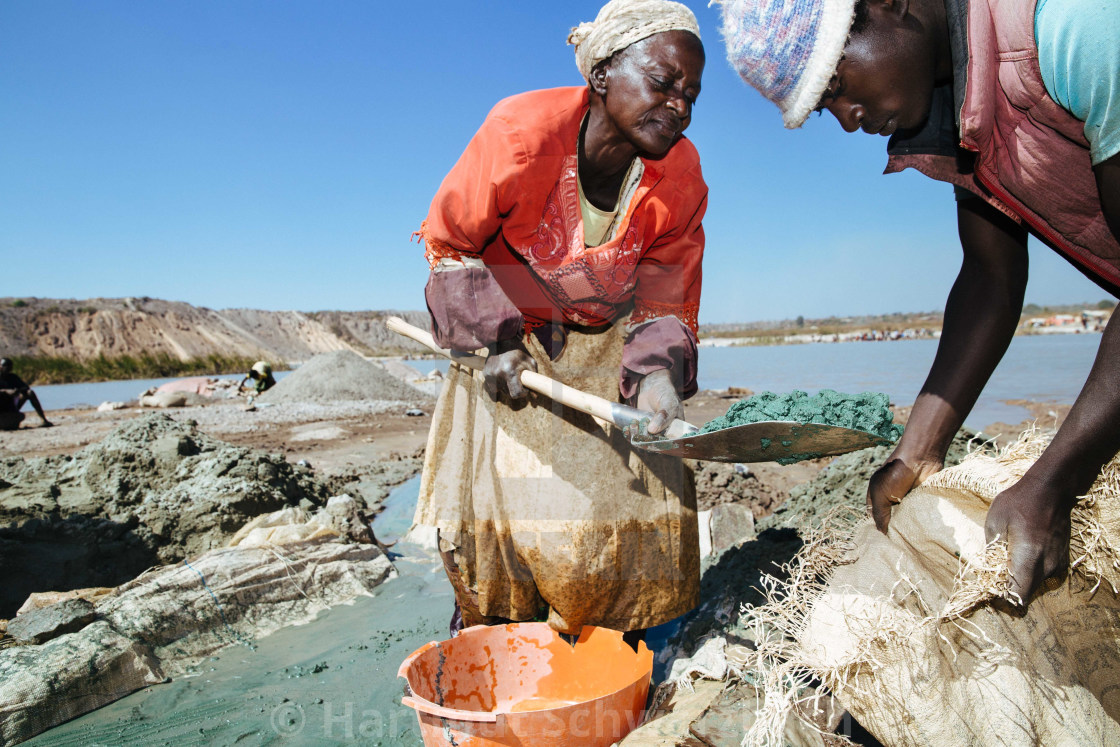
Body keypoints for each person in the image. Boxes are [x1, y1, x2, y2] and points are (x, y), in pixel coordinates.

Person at [717, 0, 1120, 606]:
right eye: (825, 110)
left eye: (836, 85)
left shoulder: (1072, 27)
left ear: (887, 6)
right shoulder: (959, 109)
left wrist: (1056, 480)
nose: (848, 120)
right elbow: (991, 276)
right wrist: (917, 451)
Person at [413, 0, 707, 640]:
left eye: (691, 94)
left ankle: (608, 646)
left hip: (608, 349)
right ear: (601, 74)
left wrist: (657, 377)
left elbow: (666, 291)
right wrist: (496, 341)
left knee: (610, 511)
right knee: (508, 513)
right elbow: (453, 242)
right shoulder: (520, 133)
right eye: (663, 83)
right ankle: (494, 643)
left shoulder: (679, 175)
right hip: (506, 336)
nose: (680, 107)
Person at [0, 357, 53, 429]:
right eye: (5, 366)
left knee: (30, 393)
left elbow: (26, 387)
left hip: (11, 406)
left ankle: (44, 420)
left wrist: (17, 390)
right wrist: (5, 391)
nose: (8, 368)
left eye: (10, 367)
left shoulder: (12, 377)